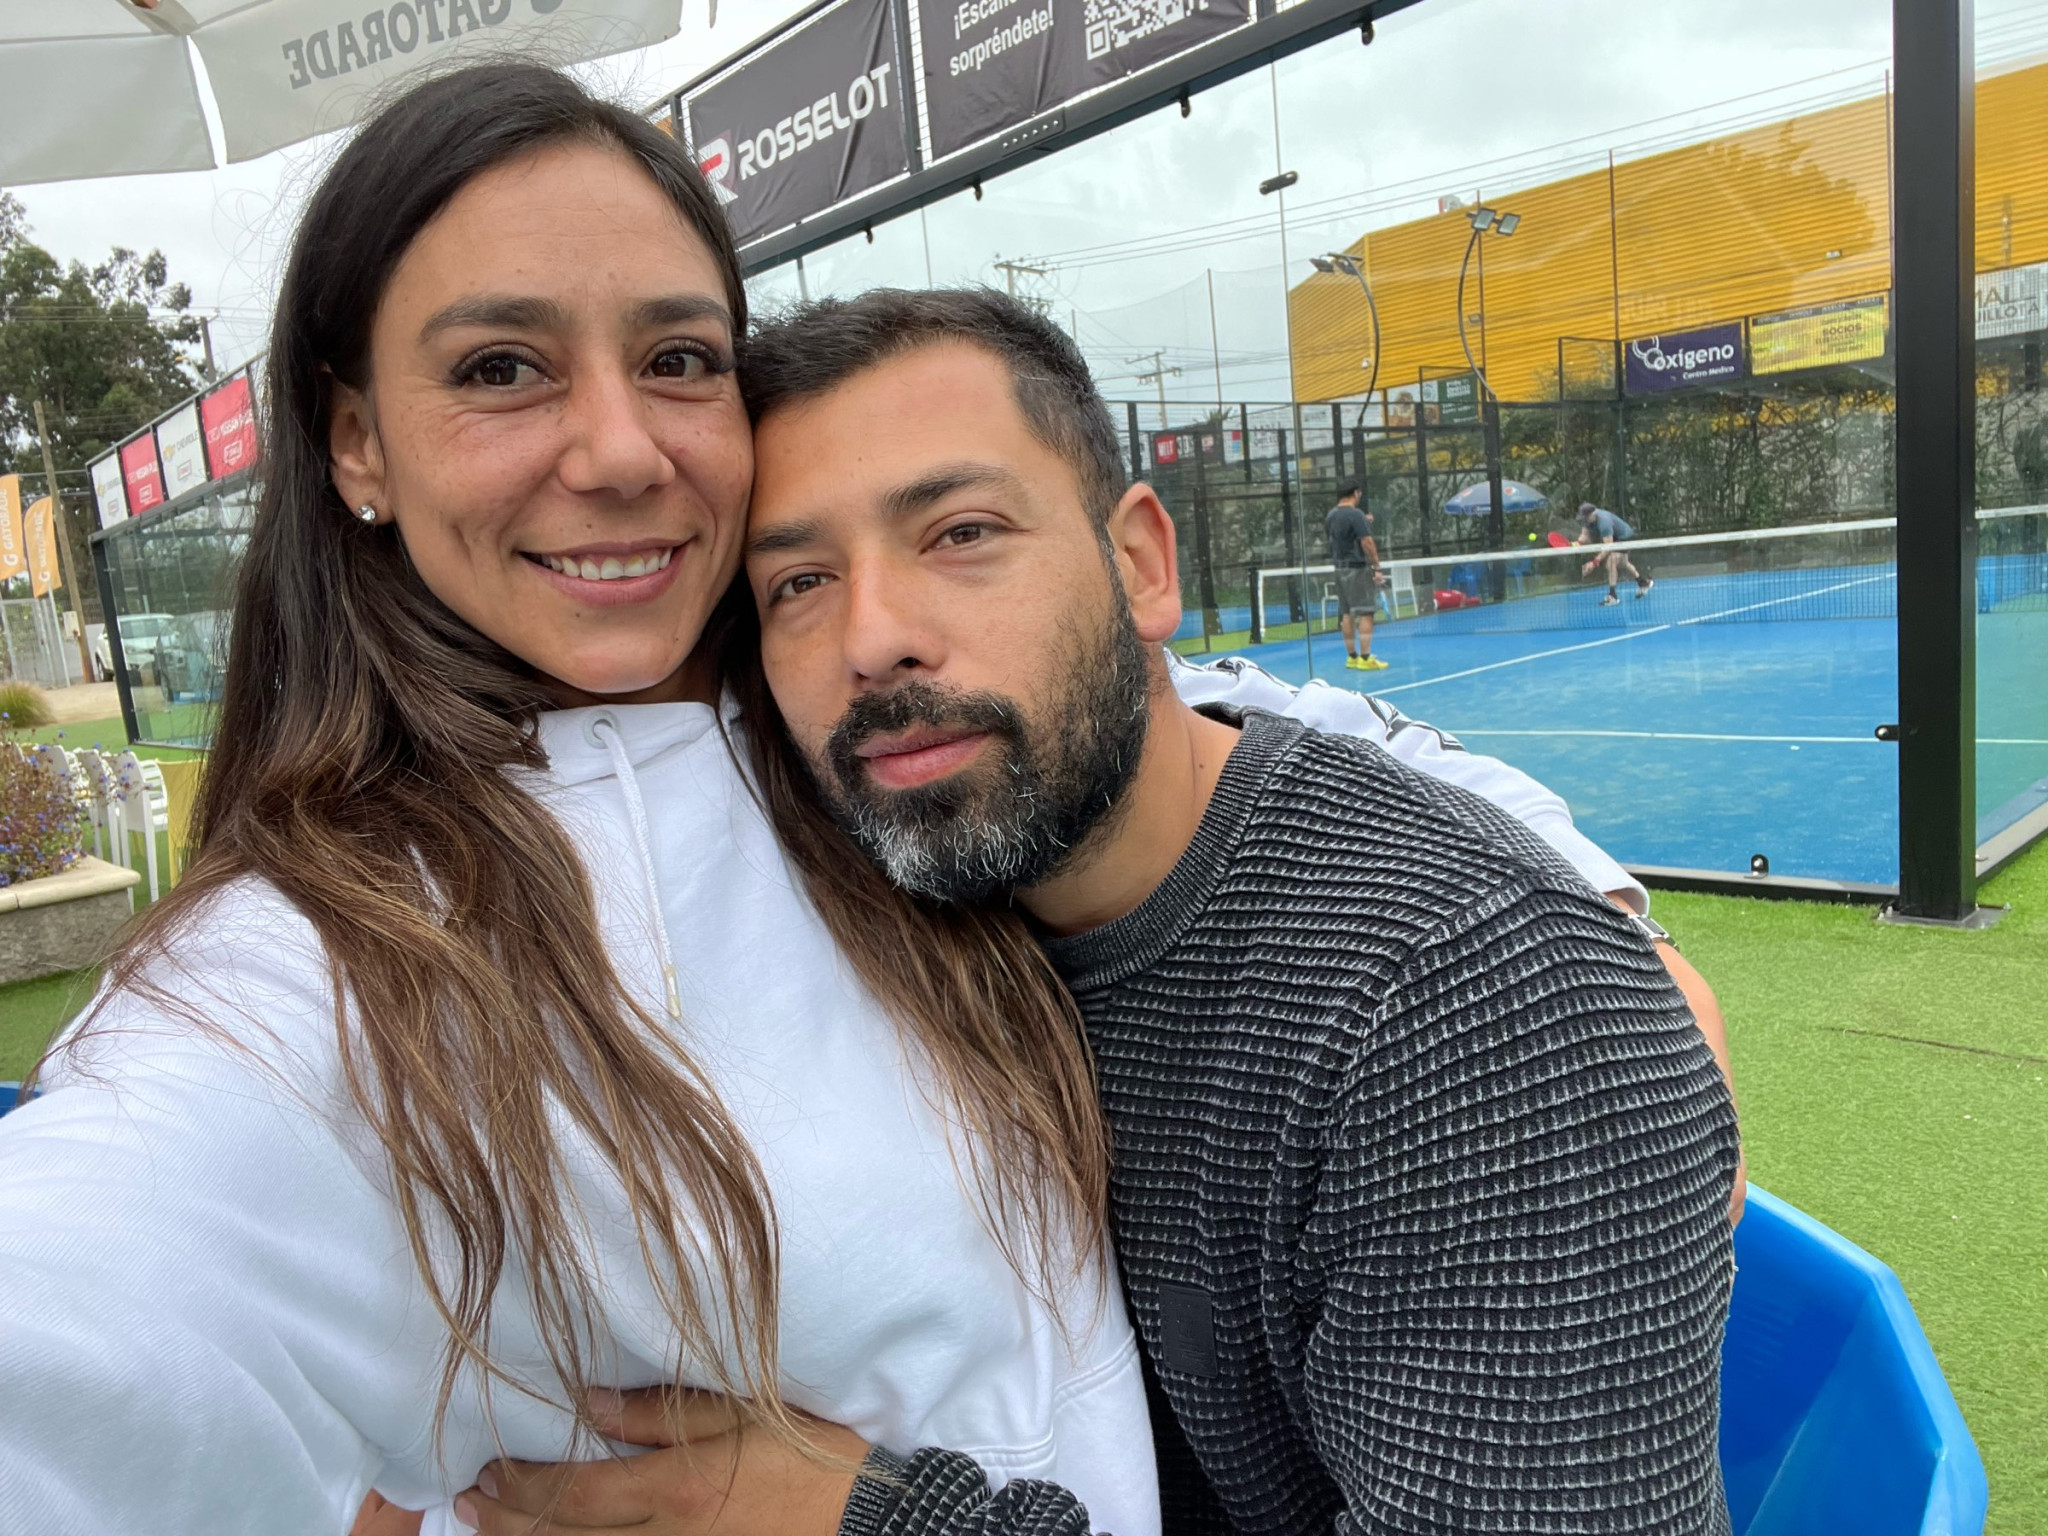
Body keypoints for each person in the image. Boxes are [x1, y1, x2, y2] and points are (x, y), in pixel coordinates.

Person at [0, 68, 1713, 1536]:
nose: (618, 448)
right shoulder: (307, 971)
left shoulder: (1427, 985)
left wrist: (1557, 920)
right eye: (501, 366)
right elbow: (97, 1284)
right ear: (353, 441)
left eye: (678, 357)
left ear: (1138, 560)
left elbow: (1228, 705)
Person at [1323, 484, 1386, 669]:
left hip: (1339, 569)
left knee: (1346, 613)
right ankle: (1365, 659)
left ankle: (1352, 657)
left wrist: (1363, 521)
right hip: (1357, 569)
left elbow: (1340, 536)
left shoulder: (1331, 516)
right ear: (1356, 494)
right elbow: (1367, 541)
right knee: (1366, 613)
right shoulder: (1356, 514)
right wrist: (1377, 567)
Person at [1576, 499, 1654, 604]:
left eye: (1585, 517)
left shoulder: (1604, 523)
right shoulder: (1587, 520)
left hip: (1625, 537)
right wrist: (1575, 544)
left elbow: (1608, 547)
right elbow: (1584, 536)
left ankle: (1613, 596)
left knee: (1611, 561)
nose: (1584, 520)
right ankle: (1643, 582)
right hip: (1614, 537)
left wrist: (1594, 563)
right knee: (1623, 563)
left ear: (1592, 514)